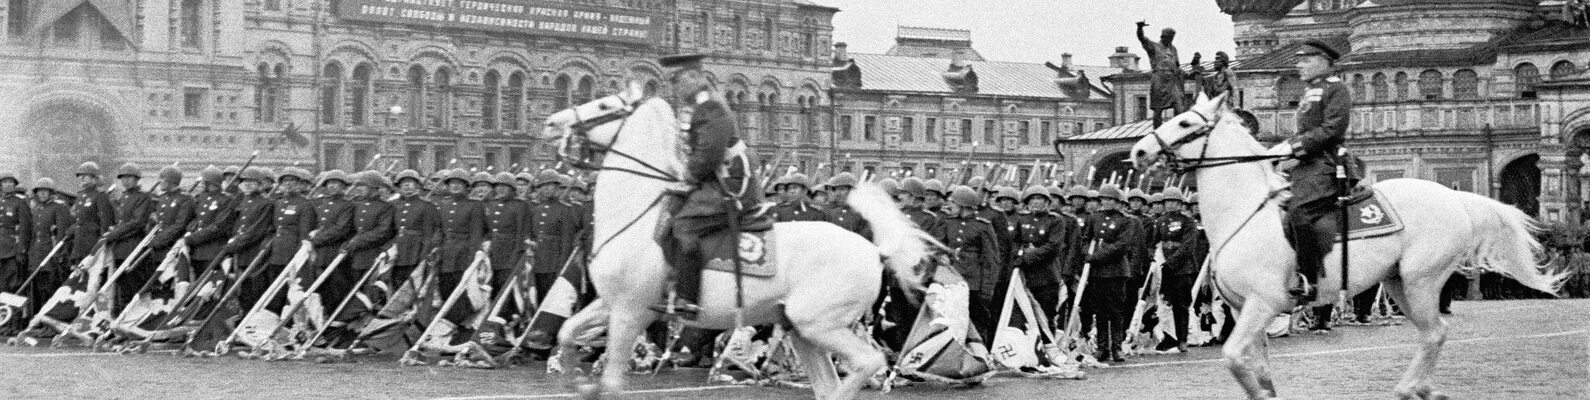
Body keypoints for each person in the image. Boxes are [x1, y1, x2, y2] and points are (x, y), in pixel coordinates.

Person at [653, 53, 764, 319]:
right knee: (668, 212)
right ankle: (671, 284)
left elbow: (710, 153)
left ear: (694, 78)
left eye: (678, 81)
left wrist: (687, 178)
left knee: (685, 224)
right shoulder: (702, 107)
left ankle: (688, 298)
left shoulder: (710, 107)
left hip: (731, 184)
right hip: (716, 179)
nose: (675, 89)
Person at [1263, 39, 1352, 304]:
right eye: (1298, 59)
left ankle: (1308, 278)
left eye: (1305, 60)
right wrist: (1283, 148)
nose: (1299, 64)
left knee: (1299, 210)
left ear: (1324, 61)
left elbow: (1332, 130)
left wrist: (1293, 146)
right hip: (1305, 164)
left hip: (1326, 163)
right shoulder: (1310, 90)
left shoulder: (1337, 90)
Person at [319, 171, 395, 348]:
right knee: (353, 295)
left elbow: (383, 231)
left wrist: (356, 241)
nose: (359, 190)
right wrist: (349, 242)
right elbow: (350, 229)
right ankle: (350, 332)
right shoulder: (356, 206)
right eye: (358, 186)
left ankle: (368, 335)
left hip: (373, 256)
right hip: (354, 258)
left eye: (363, 187)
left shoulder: (386, 208)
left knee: (371, 296)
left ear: (375, 189)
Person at [1078, 184, 1142, 363]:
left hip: (1116, 270)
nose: (1107, 202)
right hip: (1097, 272)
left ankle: (1117, 347)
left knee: (1115, 310)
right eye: (1104, 199)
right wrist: (1086, 254)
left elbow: (1122, 245)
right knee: (1100, 310)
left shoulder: (1125, 220)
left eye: (1110, 200)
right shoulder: (1094, 218)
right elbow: (1085, 239)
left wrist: (1096, 256)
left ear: (1117, 202)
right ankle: (1102, 347)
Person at [931, 186, 1002, 340]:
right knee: (949, 320)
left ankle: (979, 354)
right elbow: (937, 246)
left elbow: (992, 260)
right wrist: (941, 256)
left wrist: (987, 289)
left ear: (963, 206)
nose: (951, 207)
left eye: (954, 204)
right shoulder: (948, 222)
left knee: (977, 322)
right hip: (951, 280)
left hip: (974, 283)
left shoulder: (982, 226)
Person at [1011, 185, 1069, 319]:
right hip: (1025, 274)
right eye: (1032, 199)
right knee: (1024, 316)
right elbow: (1015, 242)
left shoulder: (1055, 220)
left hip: (1046, 276)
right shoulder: (1022, 219)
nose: (1035, 202)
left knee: (1046, 315)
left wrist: (1029, 254)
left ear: (1047, 202)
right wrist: (1020, 255)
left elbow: (1053, 246)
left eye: (1039, 199)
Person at [103, 163, 154, 312]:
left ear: (137, 179)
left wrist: (115, 234)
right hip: (119, 248)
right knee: (120, 285)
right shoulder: (123, 197)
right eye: (123, 178)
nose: (126, 181)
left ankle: (133, 316)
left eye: (130, 178)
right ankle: (119, 317)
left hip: (133, 246)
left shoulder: (143, 198)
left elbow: (137, 223)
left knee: (132, 284)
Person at [1156, 188, 1198, 352]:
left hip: (1183, 268)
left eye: (1173, 201)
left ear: (1180, 204)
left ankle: (1182, 339)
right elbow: (1155, 241)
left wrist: (1170, 262)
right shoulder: (1161, 221)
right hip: (1165, 268)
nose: (1169, 204)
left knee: (1182, 305)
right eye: (1167, 201)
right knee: (1167, 303)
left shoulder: (1188, 222)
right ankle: (1169, 336)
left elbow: (1188, 246)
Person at [388, 170, 438, 288]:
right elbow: (391, 231)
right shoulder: (395, 205)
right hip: (398, 251)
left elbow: (428, 234)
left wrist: (424, 254)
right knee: (396, 284)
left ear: (417, 186)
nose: (406, 185)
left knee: (413, 286)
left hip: (415, 251)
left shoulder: (426, 206)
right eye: (403, 183)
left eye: (410, 182)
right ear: (399, 187)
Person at [185, 166, 236, 277]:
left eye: (205, 182)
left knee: (209, 284)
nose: (202, 184)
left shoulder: (226, 200)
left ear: (212, 183)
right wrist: (190, 230)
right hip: (196, 251)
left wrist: (192, 238)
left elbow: (218, 226)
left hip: (213, 250)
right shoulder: (201, 197)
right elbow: (195, 218)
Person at [1137, 21, 1187, 127]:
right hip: (1159, 80)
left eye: (1172, 38)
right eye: (1169, 37)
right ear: (1163, 37)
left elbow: (1176, 65)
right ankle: (1157, 130)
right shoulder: (1154, 47)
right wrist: (1140, 28)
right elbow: (1142, 38)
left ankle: (1178, 130)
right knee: (1158, 108)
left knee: (1179, 106)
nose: (1170, 40)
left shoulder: (1173, 49)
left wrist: (1181, 72)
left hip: (1172, 81)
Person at [0, 173, 31, 306]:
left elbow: (25, 227)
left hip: (11, 249)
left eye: (11, 182)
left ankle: (12, 319)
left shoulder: (20, 202)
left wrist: (21, 248)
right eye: (5, 182)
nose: (8, 185)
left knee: (12, 283)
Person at [823, 172, 869, 237]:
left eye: (842, 189)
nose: (837, 193)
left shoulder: (863, 215)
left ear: (852, 190)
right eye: (836, 189)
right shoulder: (831, 213)